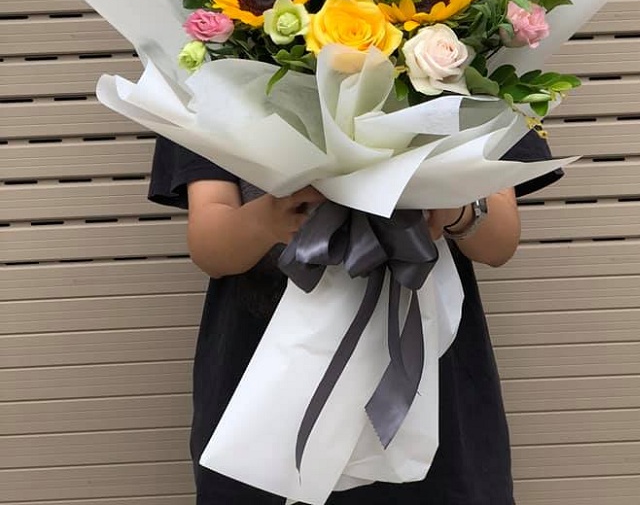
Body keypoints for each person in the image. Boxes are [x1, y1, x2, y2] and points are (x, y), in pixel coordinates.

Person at [149, 130, 563, 505]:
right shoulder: (206, 76)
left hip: (429, 375)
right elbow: (211, 244)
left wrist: (457, 209)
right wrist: (271, 218)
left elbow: (499, 241)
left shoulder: (475, 74)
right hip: (266, 376)